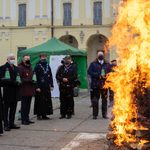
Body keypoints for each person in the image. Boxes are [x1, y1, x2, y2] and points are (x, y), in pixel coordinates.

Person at [0, 54, 20, 131]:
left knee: (13, 108)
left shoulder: (16, 68)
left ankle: (12, 123)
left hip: (15, 91)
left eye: (13, 58)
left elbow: (18, 77)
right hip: (7, 91)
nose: (13, 59)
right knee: (6, 109)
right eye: (11, 58)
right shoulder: (3, 68)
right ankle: (6, 124)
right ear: (7, 59)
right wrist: (13, 82)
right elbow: (2, 79)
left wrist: (19, 82)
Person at [88, 51, 110, 119]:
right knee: (95, 100)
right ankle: (95, 115)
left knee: (104, 100)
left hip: (104, 85)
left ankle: (104, 115)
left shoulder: (107, 64)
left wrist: (106, 76)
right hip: (96, 85)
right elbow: (89, 72)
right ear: (97, 56)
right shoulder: (93, 64)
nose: (100, 56)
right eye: (99, 55)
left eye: (102, 54)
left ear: (103, 55)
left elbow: (110, 73)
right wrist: (98, 75)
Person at [34, 54, 53, 120]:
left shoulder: (48, 65)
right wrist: (37, 87)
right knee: (40, 101)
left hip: (47, 86)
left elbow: (50, 75)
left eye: (45, 56)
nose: (43, 58)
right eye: (42, 57)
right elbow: (34, 77)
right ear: (40, 58)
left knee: (46, 101)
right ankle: (39, 115)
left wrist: (51, 85)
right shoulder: (37, 66)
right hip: (40, 87)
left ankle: (45, 115)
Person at [19, 55, 35, 125]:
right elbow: (20, 78)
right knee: (24, 106)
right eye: (26, 59)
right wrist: (28, 80)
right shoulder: (20, 67)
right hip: (24, 89)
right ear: (23, 59)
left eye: (28, 59)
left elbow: (32, 76)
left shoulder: (30, 67)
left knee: (28, 105)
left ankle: (27, 118)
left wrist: (33, 80)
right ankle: (23, 119)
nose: (27, 60)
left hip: (30, 89)